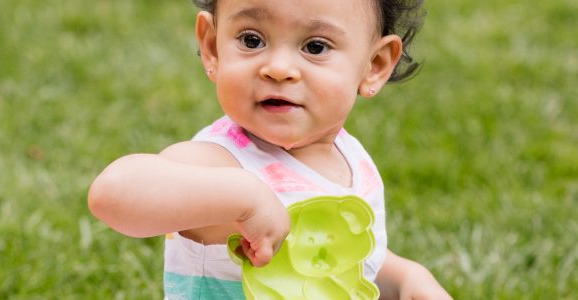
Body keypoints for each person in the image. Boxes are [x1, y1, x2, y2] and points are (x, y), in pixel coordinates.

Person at [86, 0, 451, 299]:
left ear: (374, 66)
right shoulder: (221, 161)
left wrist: (404, 279)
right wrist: (244, 196)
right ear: (213, 47)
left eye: (315, 47)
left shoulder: (351, 159)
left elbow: (342, 260)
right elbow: (113, 192)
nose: (278, 68)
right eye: (251, 40)